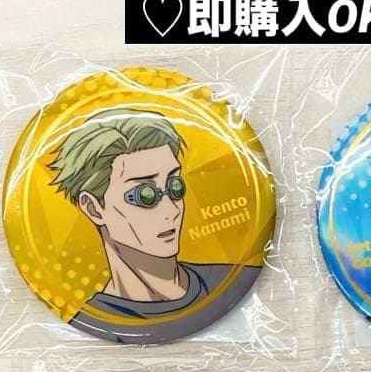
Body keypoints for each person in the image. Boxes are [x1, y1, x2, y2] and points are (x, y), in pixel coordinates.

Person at [48, 110, 256, 336]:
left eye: (175, 186)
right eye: (145, 195)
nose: (171, 210)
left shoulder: (233, 282)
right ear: (94, 208)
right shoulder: (96, 323)